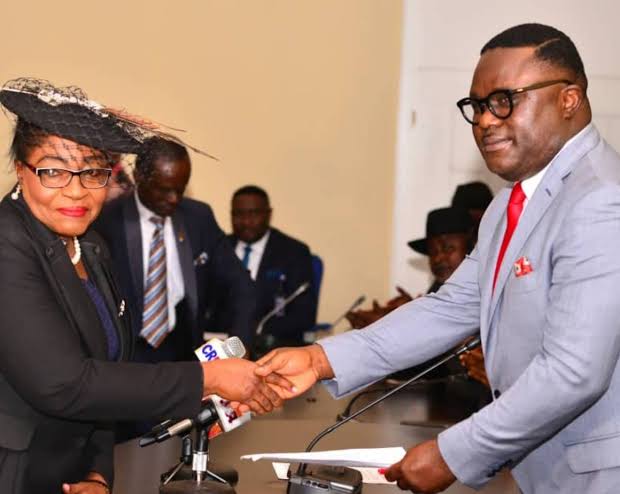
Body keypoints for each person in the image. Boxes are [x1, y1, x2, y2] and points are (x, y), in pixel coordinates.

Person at [257, 24, 620, 493]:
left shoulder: (600, 201)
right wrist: (321, 358)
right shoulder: (509, 205)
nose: (485, 120)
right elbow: (448, 308)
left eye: (504, 100)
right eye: (478, 105)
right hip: (546, 466)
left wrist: (454, 453)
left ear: (569, 99)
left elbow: (574, 373)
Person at [0, 78, 287, 494]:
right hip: (16, 472)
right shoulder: (7, 244)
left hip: (71, 473)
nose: (76, 190)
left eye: (93, 171)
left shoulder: (91, 246)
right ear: (20, 170)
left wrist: (97, 474)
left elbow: (108, 372)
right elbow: (65, 385)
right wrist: (206, 378)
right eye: (53, 171)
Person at [94, 138, 257, 364]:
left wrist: (240, 343)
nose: (174, 199)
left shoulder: (198, 217)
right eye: (164, 190)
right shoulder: (106, 220)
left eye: (180, 190)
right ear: (139, 177)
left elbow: (240, 285)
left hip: (183, 353)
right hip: (127, 356)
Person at [346, 207, 473, 328]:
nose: (438, 258)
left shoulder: (480, 294)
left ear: (471, 248)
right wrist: (404, 311)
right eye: (432, 252)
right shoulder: (439, 289)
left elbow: (449, 331)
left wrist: (388, 324)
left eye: (448, 248)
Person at [228, 185, 317, 355]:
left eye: (253, 214)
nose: (246, 222)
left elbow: (304, 315)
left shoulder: (294, 252)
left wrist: (251, 329)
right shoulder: (220, 247)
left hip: (273, 347)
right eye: (238, 214)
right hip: (222, 343)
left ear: (268, 214)